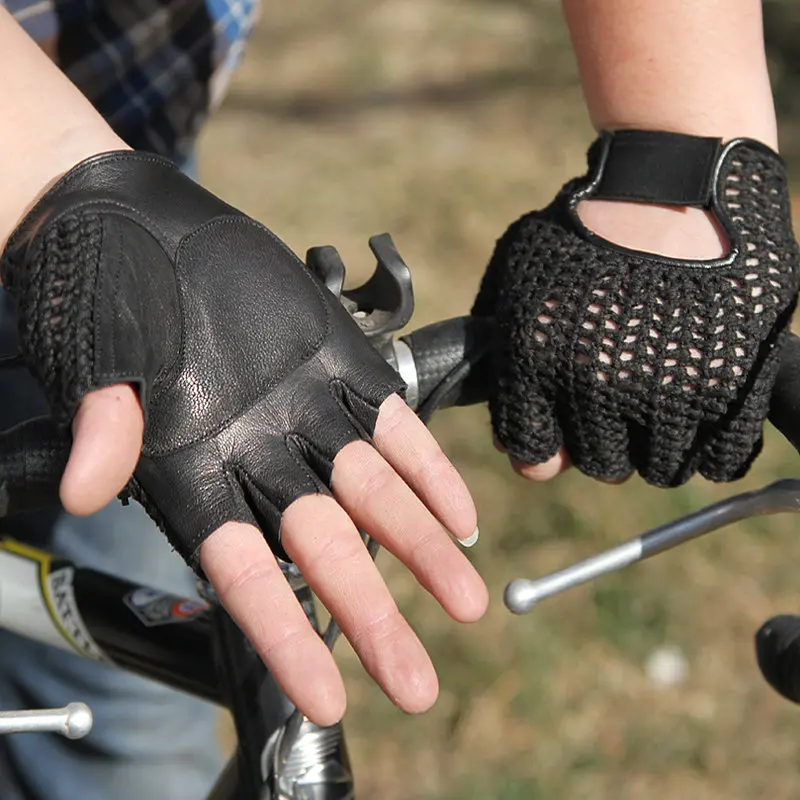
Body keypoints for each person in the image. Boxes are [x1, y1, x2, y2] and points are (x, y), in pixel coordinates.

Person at [0, 1, 795, 798]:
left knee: (122, 723)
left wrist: (675, 155)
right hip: (57, 170)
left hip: (120, 170)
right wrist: (47, 166)